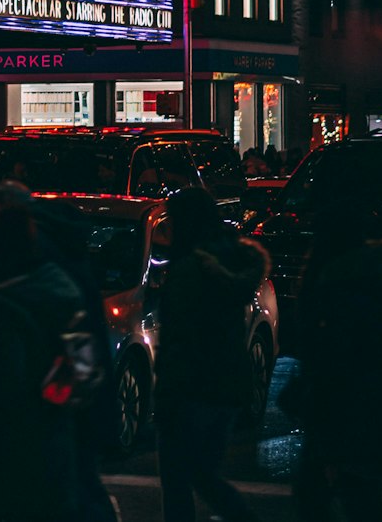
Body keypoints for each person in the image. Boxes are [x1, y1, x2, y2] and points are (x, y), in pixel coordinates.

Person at [155, 186, 269, 522]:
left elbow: (182, 336)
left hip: (188, 387)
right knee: (201, 473)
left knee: (178, 478)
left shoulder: (190, 269)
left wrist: (167, 391)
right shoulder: (228, 258)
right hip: (224, 382)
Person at [0, 203, 83, 522]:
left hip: (12, 435)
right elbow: (83, 366)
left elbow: (3, 378)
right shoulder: (61, 286)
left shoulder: (2, 300)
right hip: (54, 427)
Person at [294, 198, 382, 521]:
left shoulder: (336, 285)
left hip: (340, 404)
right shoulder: (374, 276)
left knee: (321, 493)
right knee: (361, 494)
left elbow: (333, 354)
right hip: (370, 403)